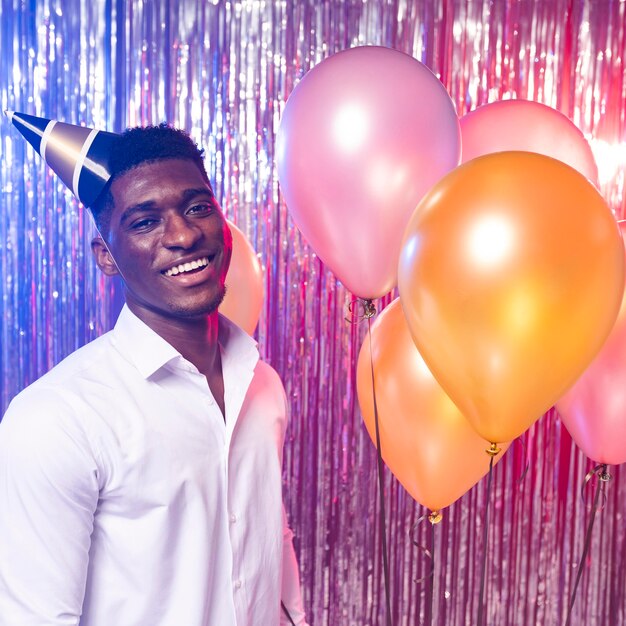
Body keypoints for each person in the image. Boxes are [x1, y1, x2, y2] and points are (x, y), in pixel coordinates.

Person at [0, 119, 308, 626]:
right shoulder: (56, 419)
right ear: (107, 257)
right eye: (144, 221)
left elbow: (270, 548)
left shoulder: (262, 383)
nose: (184, 235)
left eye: (197, 208)